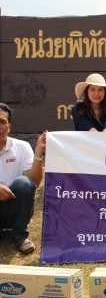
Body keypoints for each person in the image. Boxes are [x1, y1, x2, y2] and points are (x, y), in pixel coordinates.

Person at [0, 103, 47, 254]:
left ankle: (20, 234)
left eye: (2, 122)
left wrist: (39, 152)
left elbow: (33, 184)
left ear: (9, 126)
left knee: (23, 182)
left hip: (13, 208)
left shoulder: (22, 147)